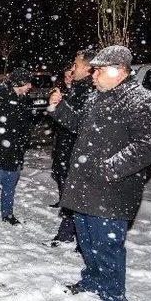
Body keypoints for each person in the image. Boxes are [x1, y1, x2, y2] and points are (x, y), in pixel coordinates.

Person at [48, 45, 151, 301]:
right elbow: (80, 125)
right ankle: (92, 279)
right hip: (84, 187)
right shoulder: (97, 98)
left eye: (98, 70)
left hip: (113, 191)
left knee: (108, 248)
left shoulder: (142, 102)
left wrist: (109, 168)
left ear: (118, 71)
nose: (93, 75)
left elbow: (146, 147)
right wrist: (58, 108)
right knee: (87, 242)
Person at [49, 49, 96, 247]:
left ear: (86, 67)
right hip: (69, 151)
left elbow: (77, 123)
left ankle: (79, 239)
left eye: (76, 65)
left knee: (77, 197)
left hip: (77, 154)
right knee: (71, 194)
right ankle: (70, 233)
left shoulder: (88, 90)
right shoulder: (79, 88)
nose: (73, 69)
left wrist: (58, 106)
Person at [0, 67, 33, 226]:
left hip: (15, 151)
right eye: (28, 82)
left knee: (10, 185)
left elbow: (26, 125)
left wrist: (22, 141)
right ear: (20, 82)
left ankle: (8, 214)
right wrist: (0, 136)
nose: (30, 86)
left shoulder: (23, 99)